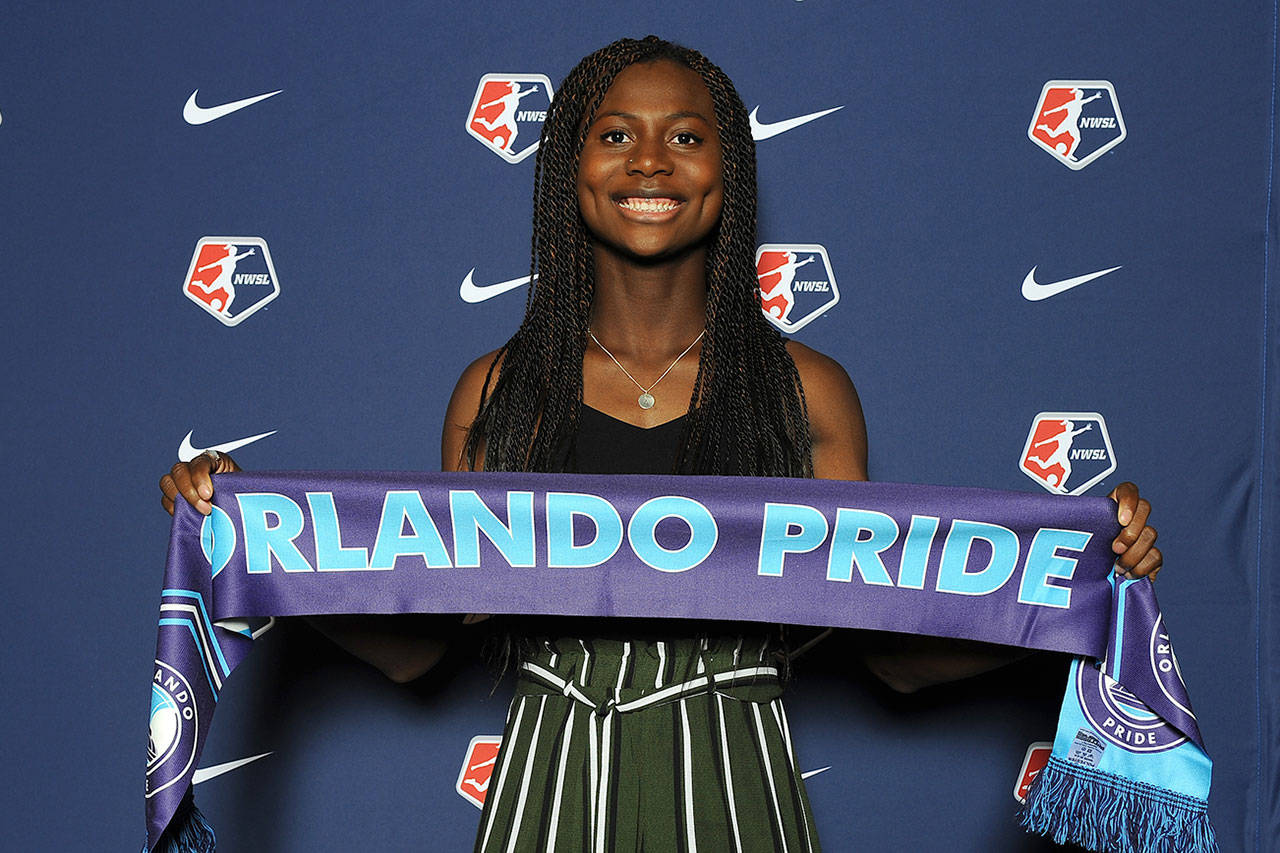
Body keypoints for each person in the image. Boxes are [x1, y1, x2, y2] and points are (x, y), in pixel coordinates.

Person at [160, 35, 1163, 852]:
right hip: (547, 781)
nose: (648, 162)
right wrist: (260, 555)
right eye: (614, 135)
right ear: (568, 171)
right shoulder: (500, 391)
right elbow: (427, 646)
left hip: (740, 783)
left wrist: (1083, 588)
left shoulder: (804, 393)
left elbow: (884, 653)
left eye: (685, 135)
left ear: (729, 168)